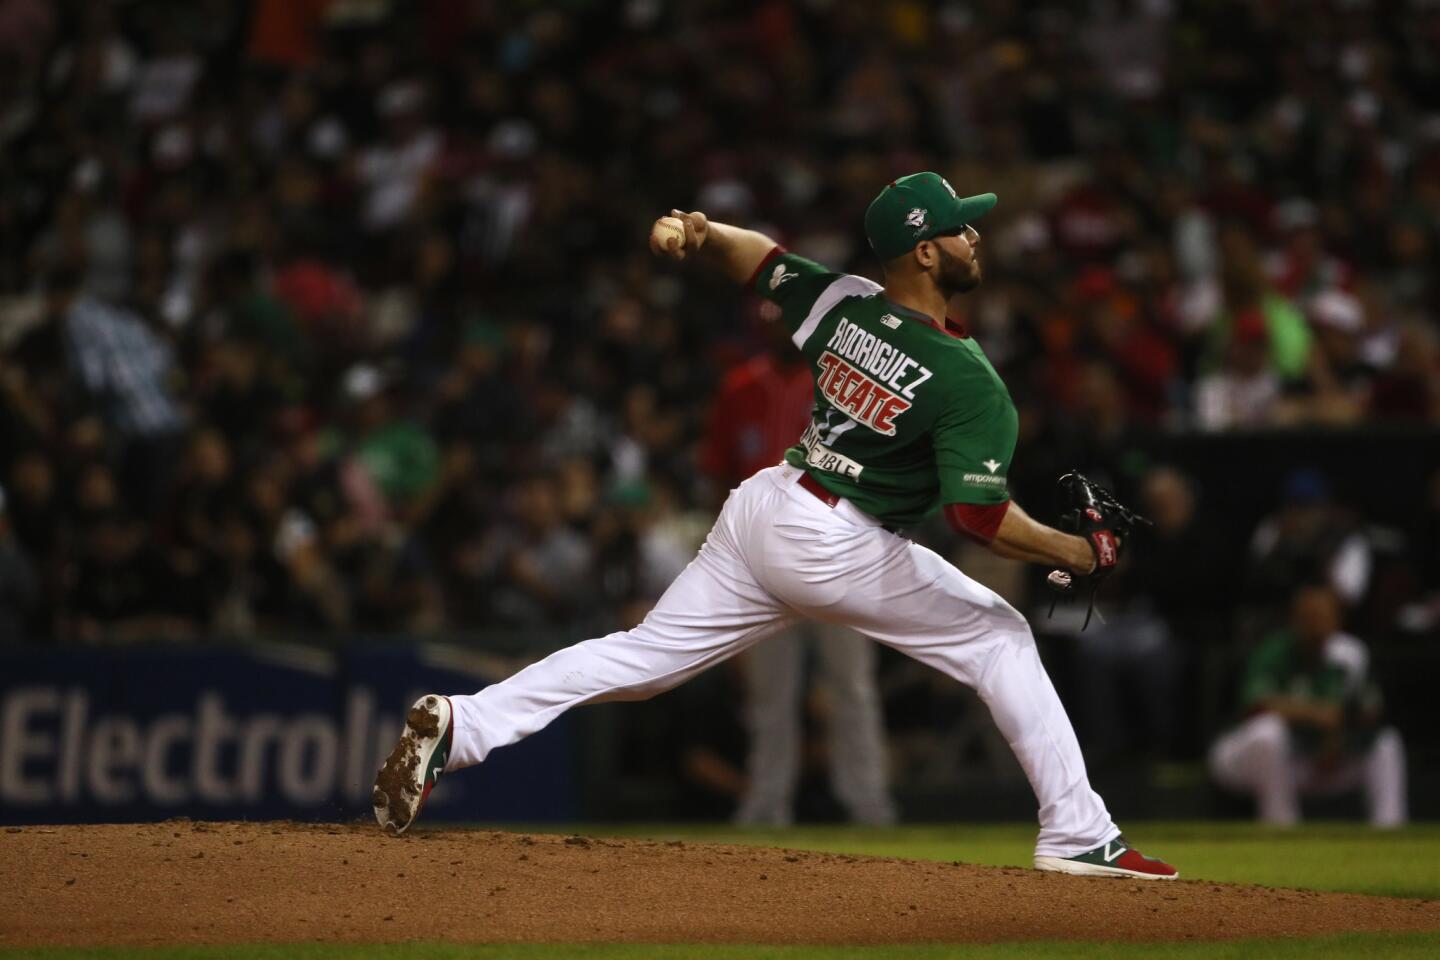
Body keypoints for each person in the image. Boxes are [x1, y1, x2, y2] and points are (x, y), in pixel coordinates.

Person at [372, 172, 1178, 880]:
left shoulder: (846, 304)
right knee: (999, 635)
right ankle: (1079, 835)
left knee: (645, 658)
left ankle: (464, 722)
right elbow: (978, 516)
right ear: (926, 253)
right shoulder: (969, 380)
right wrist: (1077, 550)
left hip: (767, 506)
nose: (975, 236)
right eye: (959, 226)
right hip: (836, 541)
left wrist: (698, 230)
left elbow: (756, 257)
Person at [700, 324, 896, 827]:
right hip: (760, 565)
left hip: (837, 557)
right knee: (771, 696)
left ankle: (868, 803)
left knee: (851, 687)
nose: (777, 325)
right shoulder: (741, 387)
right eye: (768, 315)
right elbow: (718, 474)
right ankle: (766, 804)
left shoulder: (846, 385)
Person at [1209, 584, 1406, 827]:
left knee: (1387, 743)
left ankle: (1390, 829)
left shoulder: (1351, 655)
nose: (1315, 625)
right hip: (1250, 761)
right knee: (1268, 733)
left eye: (1322, 617)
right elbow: (1256, 707)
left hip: (1315, 760)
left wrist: (1337, 738)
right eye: (1308, 617)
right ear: (1294, 620)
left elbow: (1371, 713)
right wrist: (1316, 714)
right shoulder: (1274, 651)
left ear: (1337, 620)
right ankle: (1280, 827)